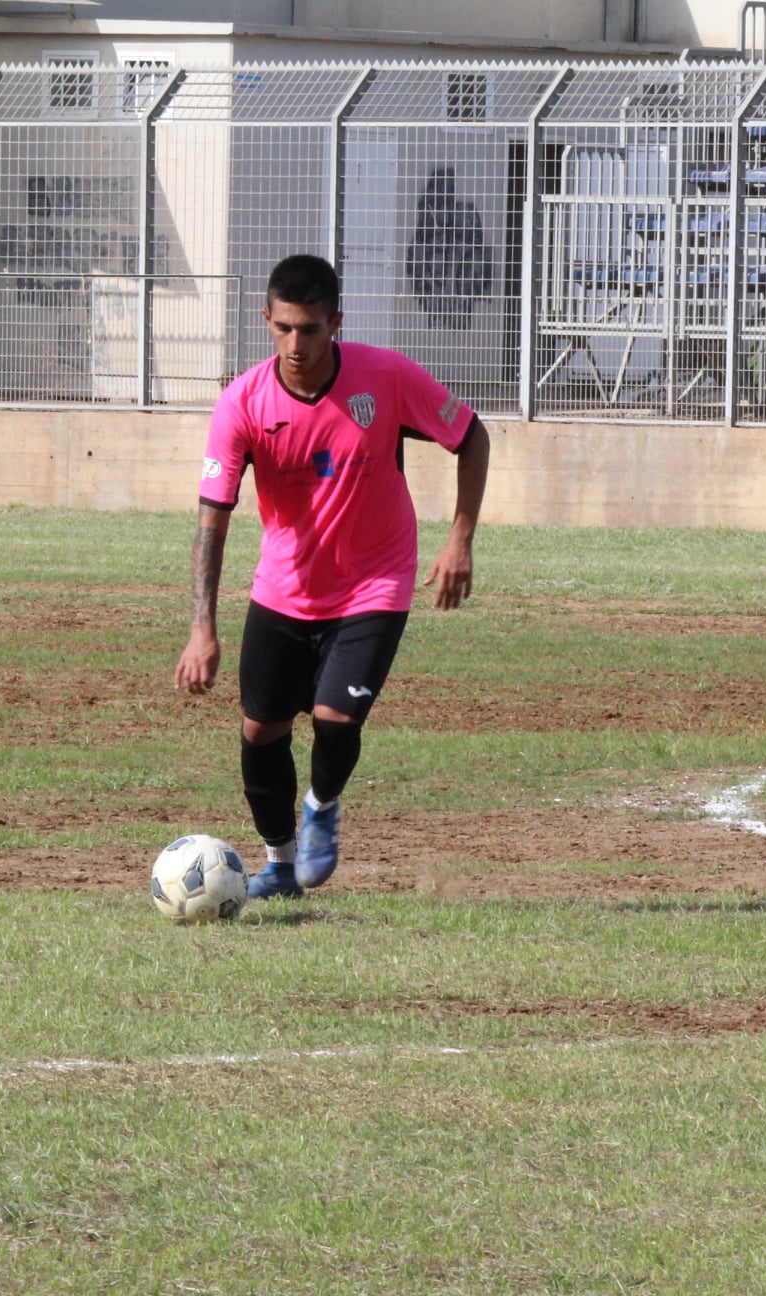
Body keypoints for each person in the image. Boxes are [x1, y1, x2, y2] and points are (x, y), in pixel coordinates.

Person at [175, 254, 491, 898]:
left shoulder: (386, 377)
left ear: (335, 323)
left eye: (311, 330)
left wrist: (459, 539)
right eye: (285, 328)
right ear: (267, 319)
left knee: (334, 719)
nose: (297, 344)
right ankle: (280, 864)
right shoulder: (241, 404)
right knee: (261, 729)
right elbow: (213, 518)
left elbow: (472, 436)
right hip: (285, 588)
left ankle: (321, 806)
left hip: (375, 580)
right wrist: (201, 627)